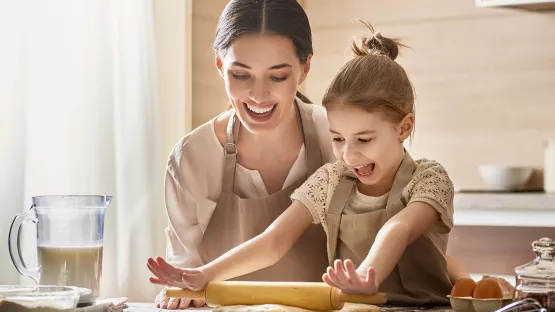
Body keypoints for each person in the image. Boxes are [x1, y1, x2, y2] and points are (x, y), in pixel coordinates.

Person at [148, 20, 473, 306]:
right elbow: (274, 240)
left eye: (364, 139)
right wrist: (205, 273)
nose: (349, 155)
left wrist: (365, 277)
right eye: (337, 138)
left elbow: (398, 228)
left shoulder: (430, 178)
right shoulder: (332, 178)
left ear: (404, 127)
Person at [154, 0, 335, 309]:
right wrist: (179, 292)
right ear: (220, 66)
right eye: (241, 75)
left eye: (277, 77)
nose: (259, 95)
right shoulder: (193, 159)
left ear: (305, 68)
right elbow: (187, 278)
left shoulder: (337, 137)